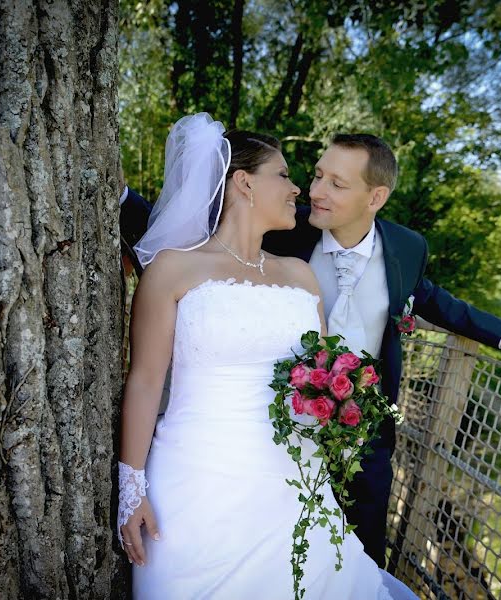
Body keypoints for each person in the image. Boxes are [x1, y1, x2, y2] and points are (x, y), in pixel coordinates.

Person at [120, 132, 501, 568]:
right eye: (315, 176)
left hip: (363, 431)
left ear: (376, 197)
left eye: (336, 184)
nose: (314, 192)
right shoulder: (287, 234)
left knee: (360, 555)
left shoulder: (406, 248)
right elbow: (200, 223)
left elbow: (433, 300)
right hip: (263, 436)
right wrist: (120, 197)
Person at [118, 113, 418, 599]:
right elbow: (146, 381)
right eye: (283, 175)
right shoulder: (173, 270)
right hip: (197, 483)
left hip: (294, 484)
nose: (298, 188)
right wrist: (130, 489)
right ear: (243, 183)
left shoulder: (301, 275)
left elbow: (319, 371)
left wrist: (342, 410)